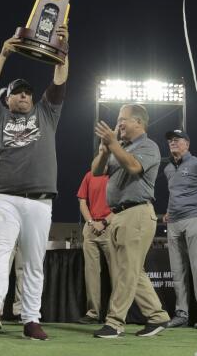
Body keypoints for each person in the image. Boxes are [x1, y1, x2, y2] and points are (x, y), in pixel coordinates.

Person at [0, 25, 69, 341]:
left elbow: (60, 79)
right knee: (2, 248)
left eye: (28, 92)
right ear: (8, 98)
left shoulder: (46, 113)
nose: (24, 96)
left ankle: (31, 320)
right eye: (17, 92)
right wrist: (4, 54)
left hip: (41, 199)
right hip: (5, 196)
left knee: (33, 262)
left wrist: (62, 48)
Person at [92, 103, 170, 338]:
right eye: (118, 120)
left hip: (137, 213)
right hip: (118, 214)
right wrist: (105, 151)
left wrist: (113, 144)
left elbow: (134, 166)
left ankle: (115, 322)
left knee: (126, 270)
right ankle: (158, 317)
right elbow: (96, 172)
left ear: (139, 122)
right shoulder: (120, 147)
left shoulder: (149, 146)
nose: (118, 124)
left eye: (123, 119)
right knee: (133, 271)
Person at [162, 129, 197, 328]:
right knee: (177, 271)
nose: (173, 142)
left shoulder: (195, 163)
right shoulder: (168, 169)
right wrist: (167, 211)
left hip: (193, 219)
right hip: (173, 222)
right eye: (170, 141)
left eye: (177, 140)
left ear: (187, 143)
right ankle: (182, 314)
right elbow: (173, 194)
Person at [77, 167, 112, 324]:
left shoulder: (117, 175)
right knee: (91, 273)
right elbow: (82, 201)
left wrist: (105, 222)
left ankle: (115, 315)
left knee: (117, 273)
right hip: (91, 227)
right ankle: (93, 313)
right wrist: (91, 222)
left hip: (111, 227)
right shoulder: (89, 175)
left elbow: (123, 206)